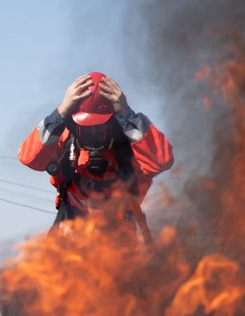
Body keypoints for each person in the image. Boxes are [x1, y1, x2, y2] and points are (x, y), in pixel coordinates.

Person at [18, 72, 174, 237]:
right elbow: (29, 158)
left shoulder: (131, 141)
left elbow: (161, 161)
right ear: (73, 121)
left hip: (119, 241)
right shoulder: (65, 138)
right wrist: (59, 113)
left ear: (111, 121)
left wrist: (127, 114)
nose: (92, 131)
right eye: (86, 126)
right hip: (71, 239)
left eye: (98, 125)